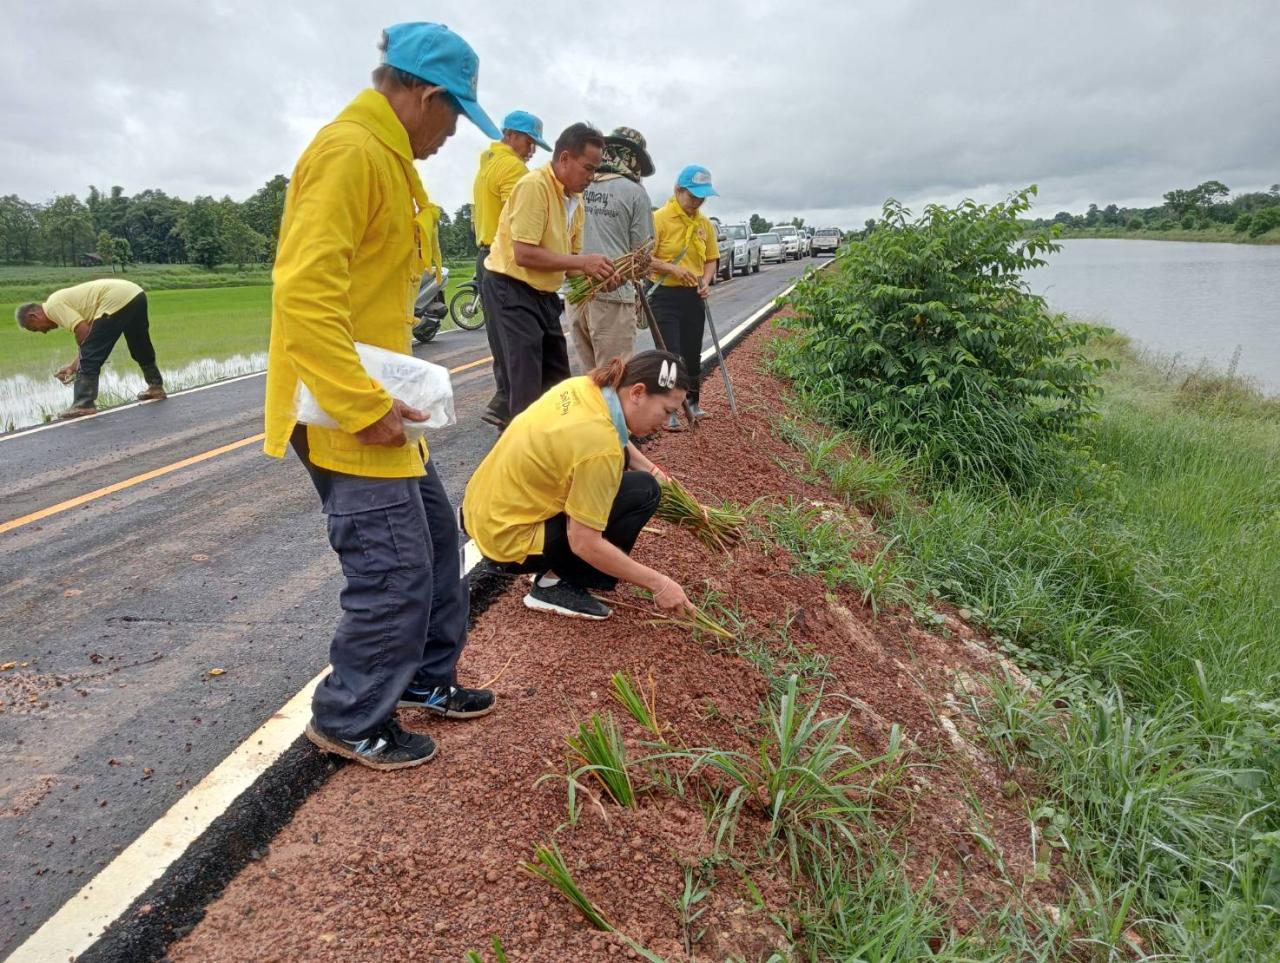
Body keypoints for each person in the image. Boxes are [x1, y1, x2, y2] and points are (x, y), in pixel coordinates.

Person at [264, 22, 501, 771]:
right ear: (424, 96)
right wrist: (364, 407)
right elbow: (304, 294)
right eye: (454, 114)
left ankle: (427, 682)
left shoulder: (391, 161)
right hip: (344, 412)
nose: (453, 131)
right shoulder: (352, 153)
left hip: (381, 406)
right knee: (393, 567)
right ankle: (350, 715)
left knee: (434, 543)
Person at [462, 350, 697, 621]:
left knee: (644, 483)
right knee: (642, 494)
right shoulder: (600, 447)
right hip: (508, 543)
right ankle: (554, 585)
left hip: (482, 514)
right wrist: (660, 584)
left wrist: (657, 473)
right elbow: (584, 543)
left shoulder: (584, 389)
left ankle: (553, 570)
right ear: (637, 392)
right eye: (667, 411)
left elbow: (617, 439)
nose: (667, 423)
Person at [481, 122, 616, 423]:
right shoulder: (534, 187)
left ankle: (552, 452)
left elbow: (570, 265)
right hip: (510, 289)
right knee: (527, 387)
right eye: (588, 169)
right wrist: (582, 263)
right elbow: (524, 254)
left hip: (543, 295)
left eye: (595, 171)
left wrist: (599, 280)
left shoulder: (575, 201)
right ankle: (519, 456)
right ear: (565, 158)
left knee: (557, 383)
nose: (591, 178)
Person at [567, 126, 675, 369]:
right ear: (634, 158)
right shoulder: (635, 193)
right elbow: (643, 253)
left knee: (590, 377)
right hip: (613, 298)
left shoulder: (578, 185)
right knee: (613, 378)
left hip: (576, 296)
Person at [472, 109, 552, 429]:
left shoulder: (488, 164)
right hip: (506, 264)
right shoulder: (513, 169)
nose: (531, 151)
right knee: (524, 348)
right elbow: (521, 224)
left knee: (502, 344)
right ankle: (521, 423)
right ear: (511, 136)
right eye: (529, 142)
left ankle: (505, 403)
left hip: (486, 260)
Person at [15, 278, 166, 419]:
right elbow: (90, 338)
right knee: (139, 344)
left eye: (35, 329)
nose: (43, 332)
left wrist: (81, 361)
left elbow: (83, 332)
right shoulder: (64, 303)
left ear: (34, 316)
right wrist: (73, 367)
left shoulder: (53, 306)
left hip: (114, 299)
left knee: (91, 355)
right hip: (135, 294)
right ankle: (156, 387)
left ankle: (83, 403)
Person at [650, 165, 720, 430]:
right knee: (670, 355)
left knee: (691, 353)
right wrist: (672, 269)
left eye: (702, 197)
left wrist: (706, 280)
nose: (698, 202)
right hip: (664, 295)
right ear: (678, 190)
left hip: (693, 297)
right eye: (693, 196)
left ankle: (693, 403)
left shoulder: (704, 224)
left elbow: (711, 258)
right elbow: (646, 259)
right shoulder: (659, 219)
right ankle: (668, 410)